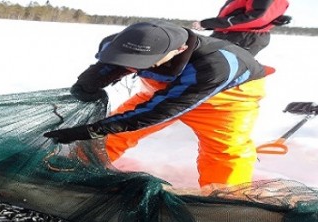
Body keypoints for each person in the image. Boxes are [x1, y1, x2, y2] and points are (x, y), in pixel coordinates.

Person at [44, 20, 272, 188]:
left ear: (179, 50)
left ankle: (225, 200)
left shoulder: (214, 67)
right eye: (129, 61)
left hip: (226, 99)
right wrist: (88, 83)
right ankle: (78, 169)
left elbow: (155, 112)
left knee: (225, 150)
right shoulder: (126, 41)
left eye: (141, 63)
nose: (132, 67)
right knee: (113, 135)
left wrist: (93, 129)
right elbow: (110, 63)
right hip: (162, 89)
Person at [192, 0, 290, 56]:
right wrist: (211, 25)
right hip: (231, 34)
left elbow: (255, 18)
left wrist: (209, 23)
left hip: (242, 37)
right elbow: (234, 15)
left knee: (214, 65)